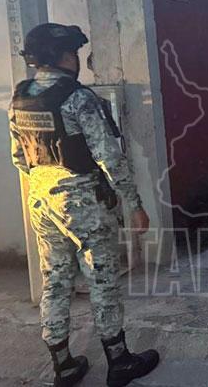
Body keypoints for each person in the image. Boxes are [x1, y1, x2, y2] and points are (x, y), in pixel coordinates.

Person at [9, 23, 160, 387]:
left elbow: (19, 158)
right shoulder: (78, 98)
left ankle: (63, 365)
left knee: (55, 280)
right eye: (73, 53)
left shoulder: (20, 98)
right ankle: (119, 361)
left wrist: (47, 184)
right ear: (62, 56)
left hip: (41, 201)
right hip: (83, 204)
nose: (76, 59)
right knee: (103, 280)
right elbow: (109, 157)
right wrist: (134, 203)